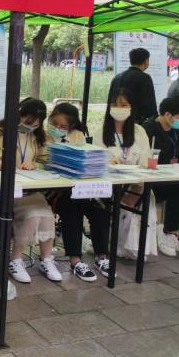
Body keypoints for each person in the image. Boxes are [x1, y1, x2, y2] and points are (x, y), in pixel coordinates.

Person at [0, 97, 63, 284]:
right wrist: (2, 164)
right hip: (10, 189)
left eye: (36, 124)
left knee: (47, 215)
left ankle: (46, 259)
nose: (32, 126)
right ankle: (15, 259)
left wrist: (35, 165)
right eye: (29, 122)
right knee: (32, 216)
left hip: (32, 188)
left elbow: (45, 159)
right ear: (19, 115)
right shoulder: (1, 132)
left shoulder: (39, 136)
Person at [45, 102, 111, 282]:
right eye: (55, 123)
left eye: (63, 126)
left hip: (78, 187)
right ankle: (75, 260)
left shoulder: (77, 135)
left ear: (71, 126)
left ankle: (102, 256)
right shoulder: (42, 135)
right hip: (54, 190)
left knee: (100, 206)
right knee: (71, 207)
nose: (57, 128)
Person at [102, 89, 156, 259]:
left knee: (144, 194)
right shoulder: (101, 132)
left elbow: (145, 161)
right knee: (125, 198)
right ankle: (112, 243)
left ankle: (132, 247)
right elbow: (97, 160)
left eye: (124, 105)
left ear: (132, 107)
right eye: (115, 104)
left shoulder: (139, 131)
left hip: (135, 182)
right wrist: (109, 162)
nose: (119, 108)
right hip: (109, 184)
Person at [143, 96, 179, 256]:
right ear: (167, 114)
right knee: (178, 189)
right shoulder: (149, 129)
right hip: (154, 180)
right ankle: (166, 233)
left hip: (175, 177)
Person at [106, 47, 158, 124]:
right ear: (146, 61)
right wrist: (155, 118)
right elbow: (149, 105)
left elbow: (110, 101)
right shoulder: (144, 78)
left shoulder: (117, 77)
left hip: (117, 121)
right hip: (135, 122)